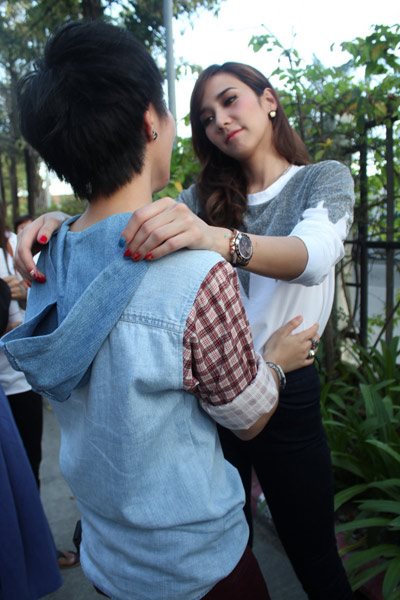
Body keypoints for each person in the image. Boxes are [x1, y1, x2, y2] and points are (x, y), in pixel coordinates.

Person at [2, 21, 319, 600]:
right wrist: (274, 360)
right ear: (151, 120)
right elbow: (248, 417)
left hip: (107, 558)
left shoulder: (48, 256)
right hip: (197, 568)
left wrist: (56, 224)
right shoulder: (195, 272)